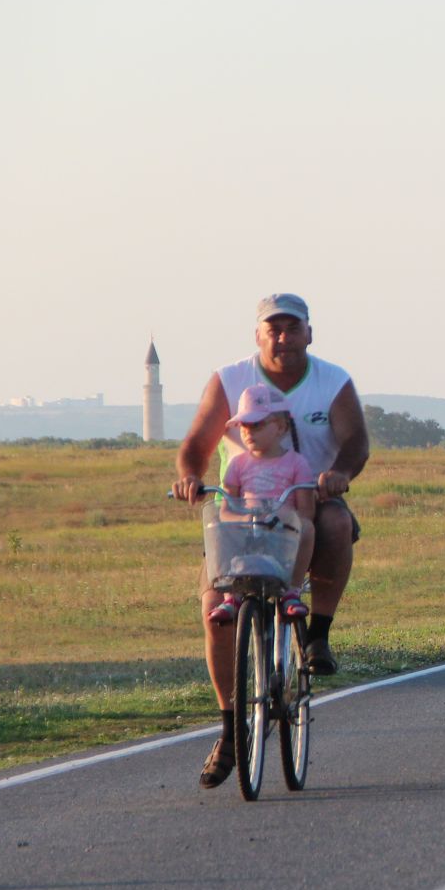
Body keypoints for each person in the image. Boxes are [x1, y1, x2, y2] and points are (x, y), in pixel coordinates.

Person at [173, 293, 369, 789]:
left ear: (309, 332)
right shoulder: (229, 380)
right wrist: (190, 480)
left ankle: (317, 633)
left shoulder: (332, 381)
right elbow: (196, 444)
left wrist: (339, 475)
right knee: (214, 608)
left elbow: (355, 442)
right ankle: (229, 728)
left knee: (335, 526)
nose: (282, 338)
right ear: (257, 336)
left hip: (307, 494)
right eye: (272, 329)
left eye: (291, 328)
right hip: (241, 511)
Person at [208, 384, 318, 626]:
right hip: (248, 530)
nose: (248, 432)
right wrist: (241, 520)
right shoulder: (237, 465)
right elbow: (226, 509)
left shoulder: (297, 464)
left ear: (280, 427)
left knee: (308, 527)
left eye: (257, 425)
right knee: (217, 525)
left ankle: (292, 591)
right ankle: (230, 596)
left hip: (283, 533)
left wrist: (284, 517)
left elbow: (306, 511)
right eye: (244, 426)